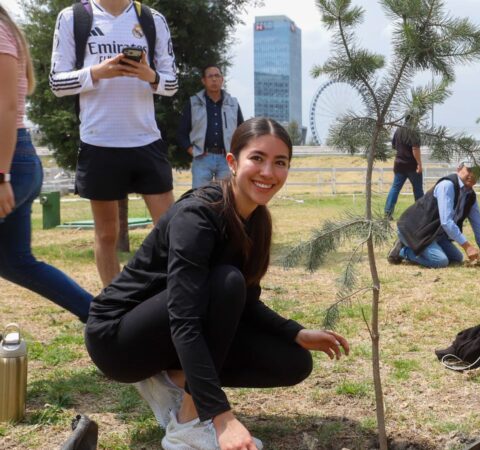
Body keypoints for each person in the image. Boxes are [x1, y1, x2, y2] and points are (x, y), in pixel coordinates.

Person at [84, 118, 350, 450]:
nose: (268, 172)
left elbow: (245, 301)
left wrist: (294, 332)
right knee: (226, 282)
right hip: (118, 340)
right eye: (257, 158)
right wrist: (220, 415)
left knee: (293, 361)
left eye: (280, 162)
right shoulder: (197, 216)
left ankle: (172, 380)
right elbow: (184, 316)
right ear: (232, 162)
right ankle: (189, 423)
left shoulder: (256, 220)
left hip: (167, 329)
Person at [50, 0, 179, 286]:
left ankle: (172, 300)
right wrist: (98, 72)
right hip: (99, 141)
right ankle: (114, 310)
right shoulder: (74, 17)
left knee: (172, 231)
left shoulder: (151, 18)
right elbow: (57, 83)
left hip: (146, 139)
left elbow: (172, 84)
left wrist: (150, 76)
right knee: (107, 235)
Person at [0, 6, 93, 322]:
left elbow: (7, 107)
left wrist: (2, 176)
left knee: (17, 261)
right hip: (17, 160)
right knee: (15, 262)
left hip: (9, 161)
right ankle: (101, 317)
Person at [387, 160, 480, 268]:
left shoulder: (470, 195)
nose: (473, 175)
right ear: (459, 169)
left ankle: (415, 247)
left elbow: (478, 224)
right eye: (469, 170)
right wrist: (467, 246)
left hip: (434, 233)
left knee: (457, 258)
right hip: (414, 229)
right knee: (440, 261)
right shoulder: (447, 185)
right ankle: (403, 250)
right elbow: (446, 222)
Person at [177, 64, 244, 188]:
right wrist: (193, 151)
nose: (214, 79)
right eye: (210, 76)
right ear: (203, 80)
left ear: (222, 79)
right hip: (202, 159)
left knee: (226, 197)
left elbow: (242, 132)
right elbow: (182, 132)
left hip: (226, 159)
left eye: (217, 76)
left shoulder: (233, 104)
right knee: (199, 197)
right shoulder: (193, 103)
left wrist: (236, 153)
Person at [383, 115, 424, 220]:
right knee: (418, 190)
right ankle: (421, 214)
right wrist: (419, 164)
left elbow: (394, 146)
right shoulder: (414, 131)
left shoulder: (398, 130)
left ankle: (387, 213)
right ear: (414, 119)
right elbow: (415, 148)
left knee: (395, 188)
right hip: (412, 166)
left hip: (399, 164)